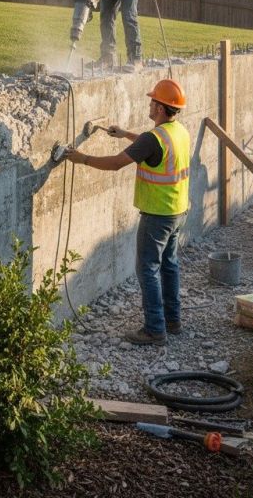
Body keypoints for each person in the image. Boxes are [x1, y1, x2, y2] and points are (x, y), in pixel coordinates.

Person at [64, 79, 190, 346]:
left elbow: (116, 164)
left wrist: (82, 158)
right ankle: (172, 321)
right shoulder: (178, 132)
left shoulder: (153, 138)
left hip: (157, 214)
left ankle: (155, 329)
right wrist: (125, 134)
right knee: (169, 265)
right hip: (177, 211)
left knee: (147, 269)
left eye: (151, 100)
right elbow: (148, 144)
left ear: (158, 107)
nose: (149, 103)